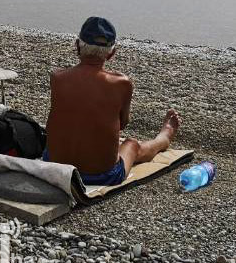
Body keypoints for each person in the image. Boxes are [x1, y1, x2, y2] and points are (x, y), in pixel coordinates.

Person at [46, 17, 181, 186]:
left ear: (77, 45)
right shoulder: (121, 84)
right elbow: (122, 124)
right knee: (132, 144)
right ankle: (164, 138)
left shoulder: (57, 77)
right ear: (112, 53)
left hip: (55, 167)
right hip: (101, 175)